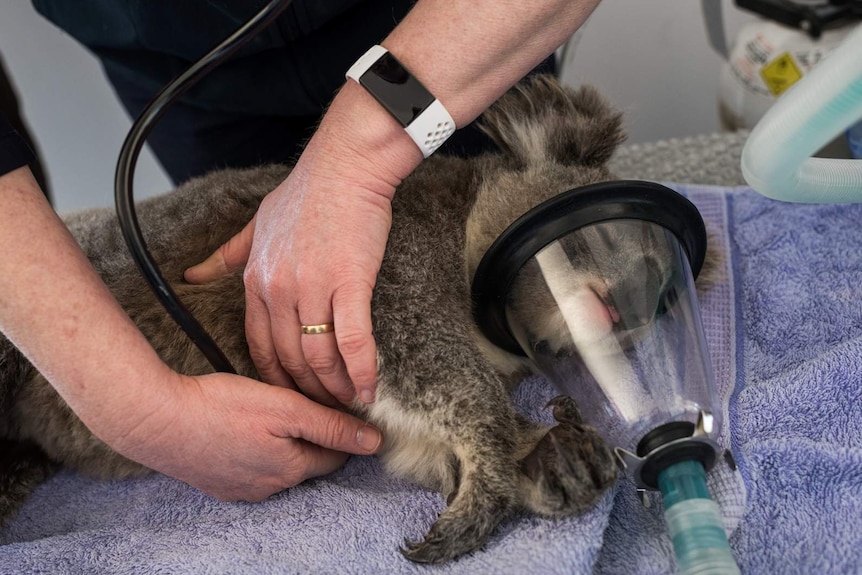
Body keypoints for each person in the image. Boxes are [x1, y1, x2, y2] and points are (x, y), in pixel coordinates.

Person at [0, 0, 601, 501]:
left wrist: (356, 158)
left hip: (436, 29)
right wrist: (144, 413)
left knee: (493, 270)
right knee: (253, 307)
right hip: (178, 55)